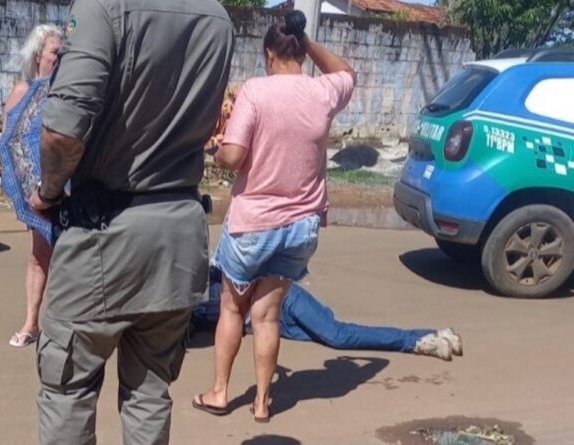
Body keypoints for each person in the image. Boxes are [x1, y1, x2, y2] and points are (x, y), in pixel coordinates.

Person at [28, 1, 234, 444]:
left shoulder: (103, 7)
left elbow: (62, 132)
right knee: (149, 392)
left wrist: (48, 192)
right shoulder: (218, 18)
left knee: (68, 388)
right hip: (178, 234)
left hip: (104, 230)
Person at [192, 10, 358, 423]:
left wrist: (215, 152)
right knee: (267, 316)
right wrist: (306, 40)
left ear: (268, 53)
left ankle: (219, 393)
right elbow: (347, 73)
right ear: (301, 52)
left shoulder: (255, 92)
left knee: (233, 308)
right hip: (301, 228)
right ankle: (262, 402)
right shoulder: (323, 92)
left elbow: (234, 156)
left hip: (254, 224)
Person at [191, 266, 463, 360]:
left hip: (282, 299)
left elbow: (241, 268)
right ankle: (432, 339)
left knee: (337, 335)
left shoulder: (208, 270)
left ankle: (420, 339)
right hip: (272, 326)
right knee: (329, 337)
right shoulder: (190, 310)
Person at [0, 24, 62, 348]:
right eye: (55, 52)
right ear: (38, 56)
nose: (59, 58)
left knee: (71, 259)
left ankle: (65, 325)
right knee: (39, 255)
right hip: (36, 187)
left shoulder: (69, 92)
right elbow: (10, 139)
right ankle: (31, 323)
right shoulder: (23, 91)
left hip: (68, 185)